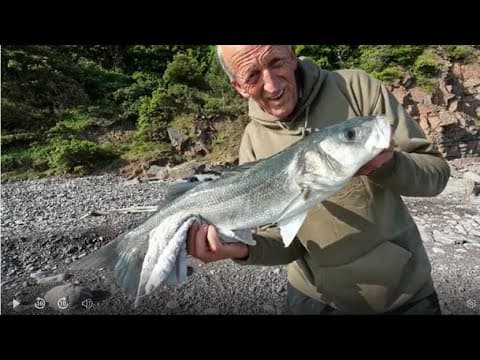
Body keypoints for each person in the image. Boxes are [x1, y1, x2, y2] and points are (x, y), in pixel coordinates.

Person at [186, 45, 450, 315]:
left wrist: (387, 165)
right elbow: (285, 242)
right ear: (239, 87)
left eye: (275, 62)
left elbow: (436, 174)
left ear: (291, 54)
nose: (271, 85)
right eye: (252, 75)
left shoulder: (357, 89)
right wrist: (242, 250)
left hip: (404, 295)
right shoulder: (253, 142)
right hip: (314, 300)